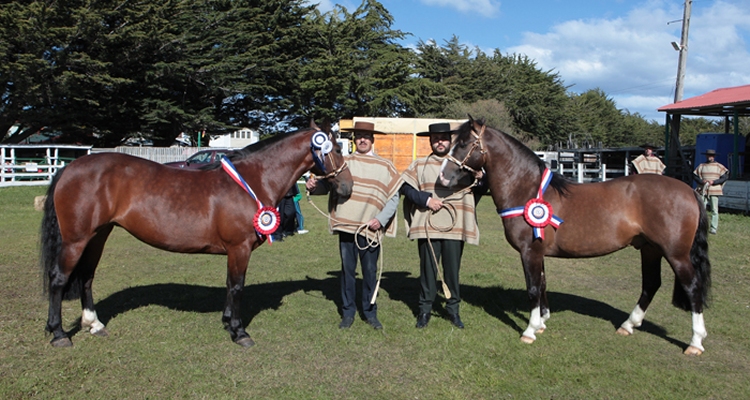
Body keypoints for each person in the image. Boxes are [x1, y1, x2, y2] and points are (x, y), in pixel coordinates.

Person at [306, 121, 401, 330]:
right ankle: (348, 313)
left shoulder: (385, 166)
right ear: (354, 139)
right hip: (346, 226)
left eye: (366, 136)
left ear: (373, 139)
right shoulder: (343, 161)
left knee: (369, 272)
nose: (363, 139)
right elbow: (328, 185)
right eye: (359, 135)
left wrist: (381, 220)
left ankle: (370, 312)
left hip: (370, 228)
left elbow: (394, 198)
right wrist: (314, 187)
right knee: (348, 272)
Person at [400, 122, 483, 329]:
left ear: (450, 140)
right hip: (427, 224)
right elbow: (405, 187)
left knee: (452, 271)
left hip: (455, 226)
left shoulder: (463, 163)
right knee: (428, 270)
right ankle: (425, 310)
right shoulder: (419, 164)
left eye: (444, 138)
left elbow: (479, 189)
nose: (440, 142)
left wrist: (482, 179)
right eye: (436, 138)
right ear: (430, 141)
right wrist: (426, 200)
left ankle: (453, 310)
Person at [694, 149, 729, 234]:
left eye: (711, 155)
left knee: (714, 209)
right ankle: (700, 226)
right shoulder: (701, 166)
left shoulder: (719, 166)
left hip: (714, 190)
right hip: (703, 190)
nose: (710, 157)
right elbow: (695, 176)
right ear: (706, 156)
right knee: (701, 209)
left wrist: (714, 182)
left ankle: (713, 227)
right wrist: (702, 181)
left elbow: (724, 177)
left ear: (714, 156)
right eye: (709, 155)